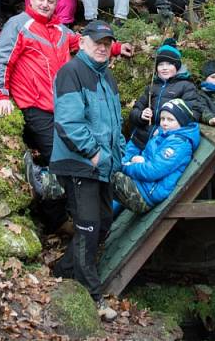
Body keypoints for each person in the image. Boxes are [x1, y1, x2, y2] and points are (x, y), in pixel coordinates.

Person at [0, 0, 133, 231]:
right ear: (31, 1)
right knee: (59, 160)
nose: (45, 4)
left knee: (72, 159)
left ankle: (77, 217)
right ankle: (57, 220)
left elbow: (82, 42)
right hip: (36, 105)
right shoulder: (19, 24)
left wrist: (115, 48)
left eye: (51, 1)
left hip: (63, 106)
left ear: (57, 5)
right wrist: (0, 94)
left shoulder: (58, 29)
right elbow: (1, 58)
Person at [50, 19, 127, 321]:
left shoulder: (107, 76)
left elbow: (115, 123)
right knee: (88, 225)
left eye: (107, 43)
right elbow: (68, 122)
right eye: (96, 41)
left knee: (104, 220)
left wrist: (116, 155)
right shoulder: (71, 72)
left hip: (103, 165)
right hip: (79, 164)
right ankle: (92, 296)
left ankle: (63, 271)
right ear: (82, 43)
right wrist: (93, 153)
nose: (102, 47)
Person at [114, 98, 200, 214]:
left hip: (145, 195)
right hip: (141, 184)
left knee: (105, 174)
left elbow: (153, 171)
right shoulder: (165, 134)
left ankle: (91, 226)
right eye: (162, 119)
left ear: (182, 121)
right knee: (101, 175)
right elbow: (149, 158)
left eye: (170, 119)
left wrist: (125, 166)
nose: (164, 123)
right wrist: (139, 160)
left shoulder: (178, 144)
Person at [126, 39, 201, 151]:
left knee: (142, 167)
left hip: (165, 143)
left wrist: (161, 131)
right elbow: (134, 112)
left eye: (169, 64)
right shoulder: (151, 87)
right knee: (124, 164)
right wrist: (141, 115)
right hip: (140, 140)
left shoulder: (186, 86)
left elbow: (192, 115)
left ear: (177, 66)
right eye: (161, 64)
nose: (164, 68)